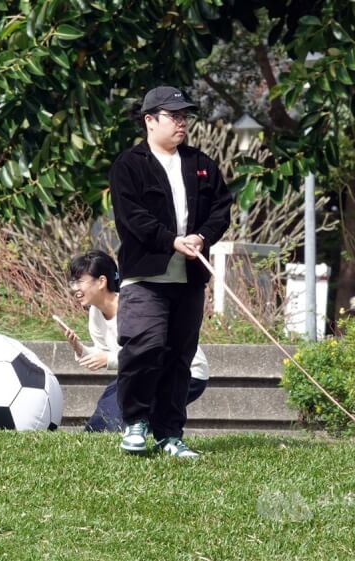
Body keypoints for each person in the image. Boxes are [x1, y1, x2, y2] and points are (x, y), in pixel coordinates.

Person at [108, 86, 232, 457]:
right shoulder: (129, 165)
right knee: (144, 347)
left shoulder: (202, 163)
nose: (182, 123)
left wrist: (201, 236)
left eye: (184, 116)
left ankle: (169, 434)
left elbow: (221, 210)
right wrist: (171, 241)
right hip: (145, 277)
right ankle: (134, 423)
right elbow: (132, 219)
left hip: (189, 279)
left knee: (180, 357)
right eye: (173, 116)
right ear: (150, 120)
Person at [61, 250, 209, 432]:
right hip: (143, 370)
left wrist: (108, 360)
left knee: (123, 413)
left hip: (185, 370)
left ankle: (144, 436)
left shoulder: (134, 306)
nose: (75, 288)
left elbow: (152, 350)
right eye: (73, 282)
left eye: (79, 281)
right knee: (106, 408)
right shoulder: (95, 313)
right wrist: (79, 348)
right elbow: (103, 352)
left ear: (101, 281)